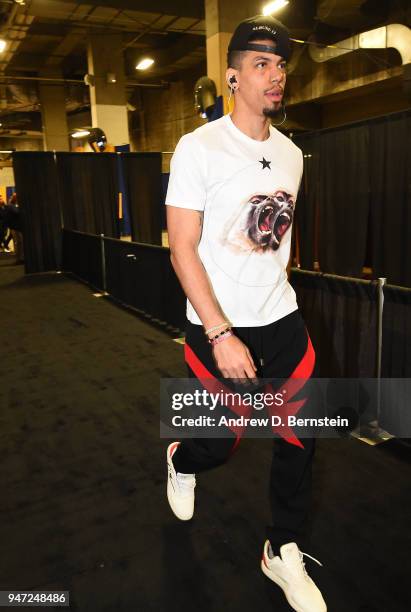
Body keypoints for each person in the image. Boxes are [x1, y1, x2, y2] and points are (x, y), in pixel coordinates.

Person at [165, 14, 326, 612]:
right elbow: (181, 246)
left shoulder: (292, 154)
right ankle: (183, 457)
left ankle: (281, 548)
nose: (275, 75)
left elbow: (281, 236)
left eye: (281, 64)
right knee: (222, 442)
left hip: (281, 320)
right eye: (261, 64)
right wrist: (220, 331)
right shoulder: (198, 147)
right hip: (219, 324)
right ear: (232, 78)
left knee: (302, 437)